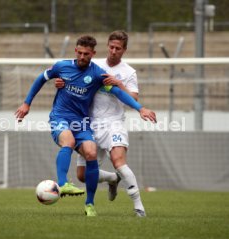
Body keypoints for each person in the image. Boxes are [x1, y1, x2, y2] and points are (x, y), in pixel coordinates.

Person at [15, 35, 155, 217]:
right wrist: (27, 103)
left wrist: (140, 108)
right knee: (69, 142)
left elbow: (119, 93)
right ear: (75, 51)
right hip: (63, 117)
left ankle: (92, 203)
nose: (82, 56)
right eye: (80, 53)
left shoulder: (99, 73)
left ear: (92, 54)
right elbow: (41, 79)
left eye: (86, 54)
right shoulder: (62, 66)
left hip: (89, 122)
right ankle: (63, 183)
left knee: (91, 153)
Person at [55, 30, 157, 217]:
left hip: (113, 123)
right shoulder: (95, 65)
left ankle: (138, 206)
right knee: (82, 176)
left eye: (118, 48)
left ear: (124, 50)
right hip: (89, 123)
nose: (113, 51)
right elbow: (75, 79)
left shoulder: (128, 72)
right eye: (111, 47)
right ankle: (112, 179)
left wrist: (119, 84)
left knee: (118, 161)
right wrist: (62, 83)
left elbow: (132, 96)